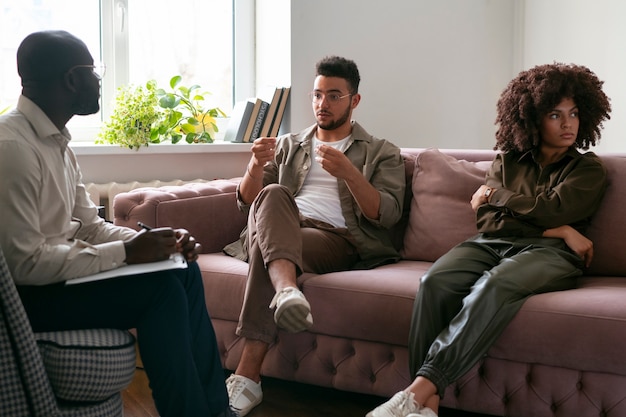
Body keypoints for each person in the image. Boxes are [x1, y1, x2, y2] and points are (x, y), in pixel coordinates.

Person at [0, 30, 235, 417]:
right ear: (71, 79)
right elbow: (23, 266)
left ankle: (215, 411)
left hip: (58, 280)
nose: (98, 80)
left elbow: (91, 227)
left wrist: (156, 243)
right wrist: (127, 253)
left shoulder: (56, 142)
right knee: (161, 291)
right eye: (94, 71)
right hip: (31, 297)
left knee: (183, 270)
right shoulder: (14, 149)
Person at [367, 62, 612, 417]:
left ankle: (417, 391)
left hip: (553, 254)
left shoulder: (587, 168)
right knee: (433, 281)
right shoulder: (508, 161)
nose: (568, 123)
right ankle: (427, 404)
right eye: (555, 115)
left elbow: (553, 208)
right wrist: (557, 228)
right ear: (531, 118)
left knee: (495, 285)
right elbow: (487, 221)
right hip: (499, 242)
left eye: (573, 114)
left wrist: (498, 197)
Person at [222, 56, 406, 416]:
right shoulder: (290, 144)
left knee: (267, 245)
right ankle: (287, 291)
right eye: (317, 95)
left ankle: (247, 375)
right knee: (273, 194)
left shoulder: (382, 152)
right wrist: (255, 166)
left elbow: (386, 215)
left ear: (354, 100)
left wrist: (351, 174)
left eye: (334, 96)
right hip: (283, 226)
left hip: (334, 239)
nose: (323, 104)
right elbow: (248, 202)